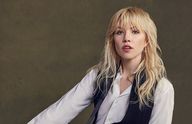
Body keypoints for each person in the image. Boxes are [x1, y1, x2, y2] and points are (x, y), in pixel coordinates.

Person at [28, 6, 174, 124]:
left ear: (147, 40)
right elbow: (59, 113)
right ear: (112, 40)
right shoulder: (99, 77)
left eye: (135, 32)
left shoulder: (161, 88)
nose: (126, 38)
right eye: (119, 32)